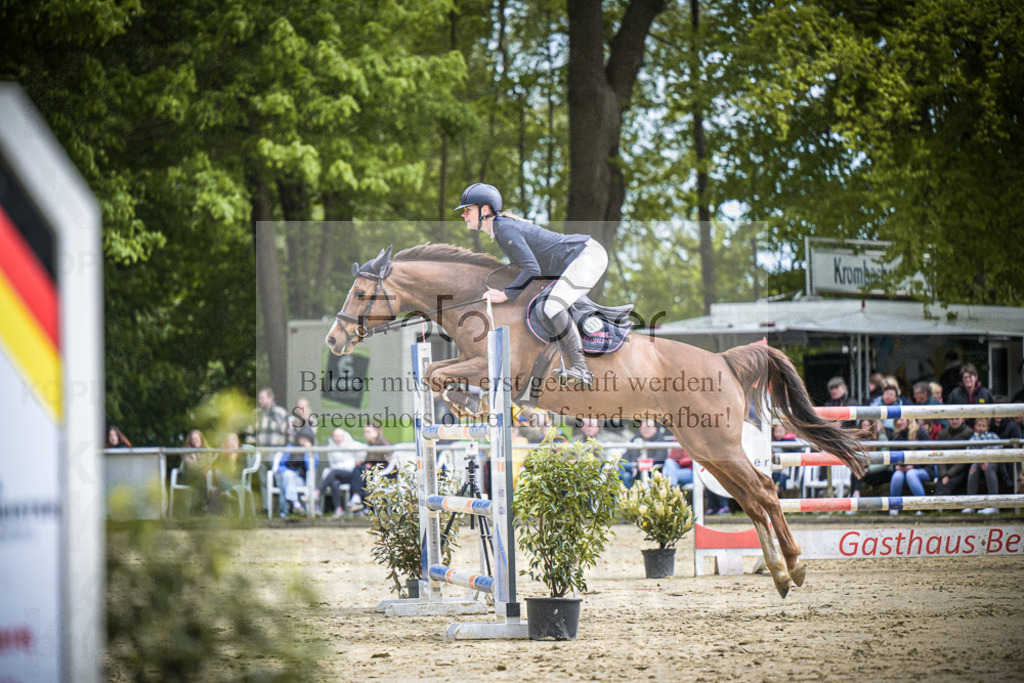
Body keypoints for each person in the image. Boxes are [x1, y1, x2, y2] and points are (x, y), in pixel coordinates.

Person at [455, 182, 608, 387]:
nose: (464, 215)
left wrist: (507, 295)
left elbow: (532, 269)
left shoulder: (505, 230)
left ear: (485, 210)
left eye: (468, 210)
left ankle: (581, 368)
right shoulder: (502, 230)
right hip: (575, 258)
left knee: (553, 306)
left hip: (586, 256)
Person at [888, 418, 934, 515]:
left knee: (911, 474)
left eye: (901, 420)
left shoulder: (921, 433)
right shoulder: (896, 435)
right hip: (902, 469)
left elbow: (926, 455)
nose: (898, 422)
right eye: (897, 421)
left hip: (923, 469)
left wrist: (913, 465)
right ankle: (894, 507)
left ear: (909, 420)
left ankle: (923, 507)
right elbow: (893, 456)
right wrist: (896, 466)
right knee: (897, 475)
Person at [316, 427, 364, 517]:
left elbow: (354, 464)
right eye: (335, 436)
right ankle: (338, 509)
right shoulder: (330, 448)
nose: (337, 438)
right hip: (339, 475)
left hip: (353, 475)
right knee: (334, 482)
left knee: (333, 472)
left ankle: (318, 492)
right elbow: (333, 464)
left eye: (339, 436)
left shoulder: (352, 446)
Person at [275, 427, 318, 518]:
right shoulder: (290, 448)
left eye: (306, 439)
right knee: (288, 477)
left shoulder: (312, 451)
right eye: (301, 438)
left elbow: (311, 467)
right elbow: (280, 466)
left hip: (300, 480)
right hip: (286, 476)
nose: (303, 441)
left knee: (288, 481)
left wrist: (307, 452)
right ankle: (295, 503)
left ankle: (286, 510)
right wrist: (287, 472)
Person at [963, 417, 1001, 514]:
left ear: (987, 427)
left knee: (988, 467)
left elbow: (999, 446)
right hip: (977, 461)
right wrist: (979, 460)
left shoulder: (992, 436)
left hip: (991, 461)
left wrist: (988, 456)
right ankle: (971, 504)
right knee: (973, 468)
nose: (981, 428)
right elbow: (968, 450)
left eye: (983, 426)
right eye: (979, 425)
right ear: (975, 427)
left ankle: (994, 505)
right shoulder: (973, 438)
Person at [934, 416, 974, 496]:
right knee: (939, 487)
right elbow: (939, 456)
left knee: (949, 485)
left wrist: (949, 475)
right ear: (948, 419)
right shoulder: (942, 433)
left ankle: (938, 506)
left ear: (962, 419)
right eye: (952, 419)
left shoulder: (969, 433)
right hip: (945, 470)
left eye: (957, 418)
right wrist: (944, 474)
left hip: (962, 469)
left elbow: (965, 459)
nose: (954, 421)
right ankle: (936, 506)